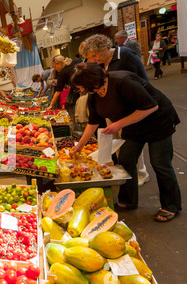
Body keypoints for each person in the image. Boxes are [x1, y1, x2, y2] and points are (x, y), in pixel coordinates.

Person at [70, 62, 181, 222]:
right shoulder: (94, 94)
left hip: (158, 121)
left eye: (79, 86)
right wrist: (79, 147)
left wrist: (118, 124)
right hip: (133, 125)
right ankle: (129, 200)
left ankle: (171, 205)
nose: (78, 90)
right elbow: (93, 122)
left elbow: (151, 106)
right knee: (126, 159)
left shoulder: (122, 82)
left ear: (90, 81)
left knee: (160, 163)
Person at [80, 34, 150, 185]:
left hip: (130, 109)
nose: (93, 59)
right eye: (91, 56)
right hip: (112, 108)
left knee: (132, 144)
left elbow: (142, 80)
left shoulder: (125, 55)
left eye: (95, 55)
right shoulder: (100, 63)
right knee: (118, 144)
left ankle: (141, 173)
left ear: (106, 48)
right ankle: (125, 172)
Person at [47, 55, 82, 123]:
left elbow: (58, 91)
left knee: (73, 108)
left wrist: (51, 105)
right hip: (87, 88)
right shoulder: (74, 63)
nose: (55, 68)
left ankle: (77, 127)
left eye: (55, 66)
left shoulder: (62, 73)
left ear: (60, 63)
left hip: (79, 91)